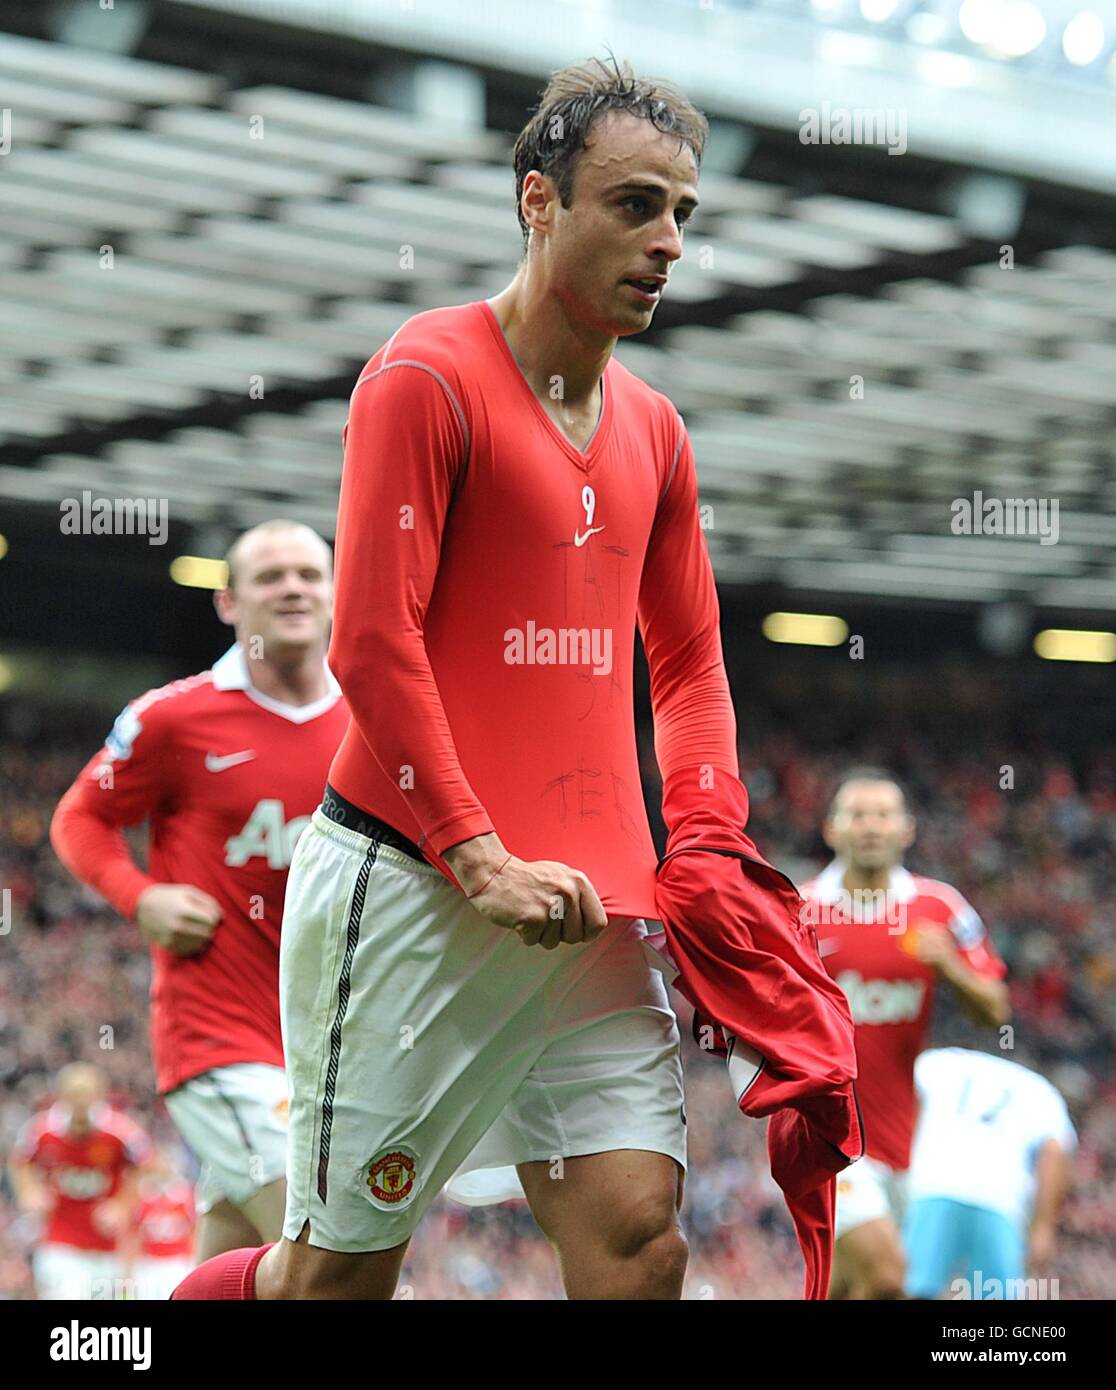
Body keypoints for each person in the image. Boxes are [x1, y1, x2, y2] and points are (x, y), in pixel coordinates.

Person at [175, 56, 739, 1302]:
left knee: (642, 1235)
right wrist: (476, 853)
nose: (669, 243)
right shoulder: (427, 372)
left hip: (593, 910)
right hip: (412, 880)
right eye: (635, 205)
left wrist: (706, 835)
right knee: (331, 1275)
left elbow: (688, 659)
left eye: (683, 214)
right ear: (539, 201)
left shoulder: (659, 431)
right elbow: (374, 636)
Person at [51, 520, 348, 1262]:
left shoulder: (375, 715)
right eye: (270, 576)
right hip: (221, 1040)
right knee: (325, 1241)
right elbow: (80, 816)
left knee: (234, 1255)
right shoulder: (174, 717)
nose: (292, 589)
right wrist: (138, 895)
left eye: (309, 574)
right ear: (228, 603)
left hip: (337, 1039)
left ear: (337, 591)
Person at [800, 769, 1011, 1299]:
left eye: (883, 814)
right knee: (891, 1278)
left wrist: (952, 968)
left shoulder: (940, 907)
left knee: (848, 1286)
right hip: (826, 1131)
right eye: (857, 814)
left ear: (907, 829)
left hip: (904, 1137)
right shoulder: (798, 909)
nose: (871, 825)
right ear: (832, 829)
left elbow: (997, 1009)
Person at [904, 1047, 1075, 1299]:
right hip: (1000, 1200)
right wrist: (1043, 1228)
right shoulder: (1039, 1089)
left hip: (933, 1185)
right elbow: (1054, 1151)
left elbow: (904, 1104)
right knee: (995, 1295)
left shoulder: (938, 1061)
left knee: (911, 1287)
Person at [9, 1063, 150, 1300]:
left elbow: (146, 1165)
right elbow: (19, 1161)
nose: (80, 1100)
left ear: (99, 1094)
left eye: (86, 1093)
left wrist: (122, 1205)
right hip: (60, 1240)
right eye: (74, 1093)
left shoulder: (121, 1131)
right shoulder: (42, 1129)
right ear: (62, 1095)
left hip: (106, 1244)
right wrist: (29, 1191)